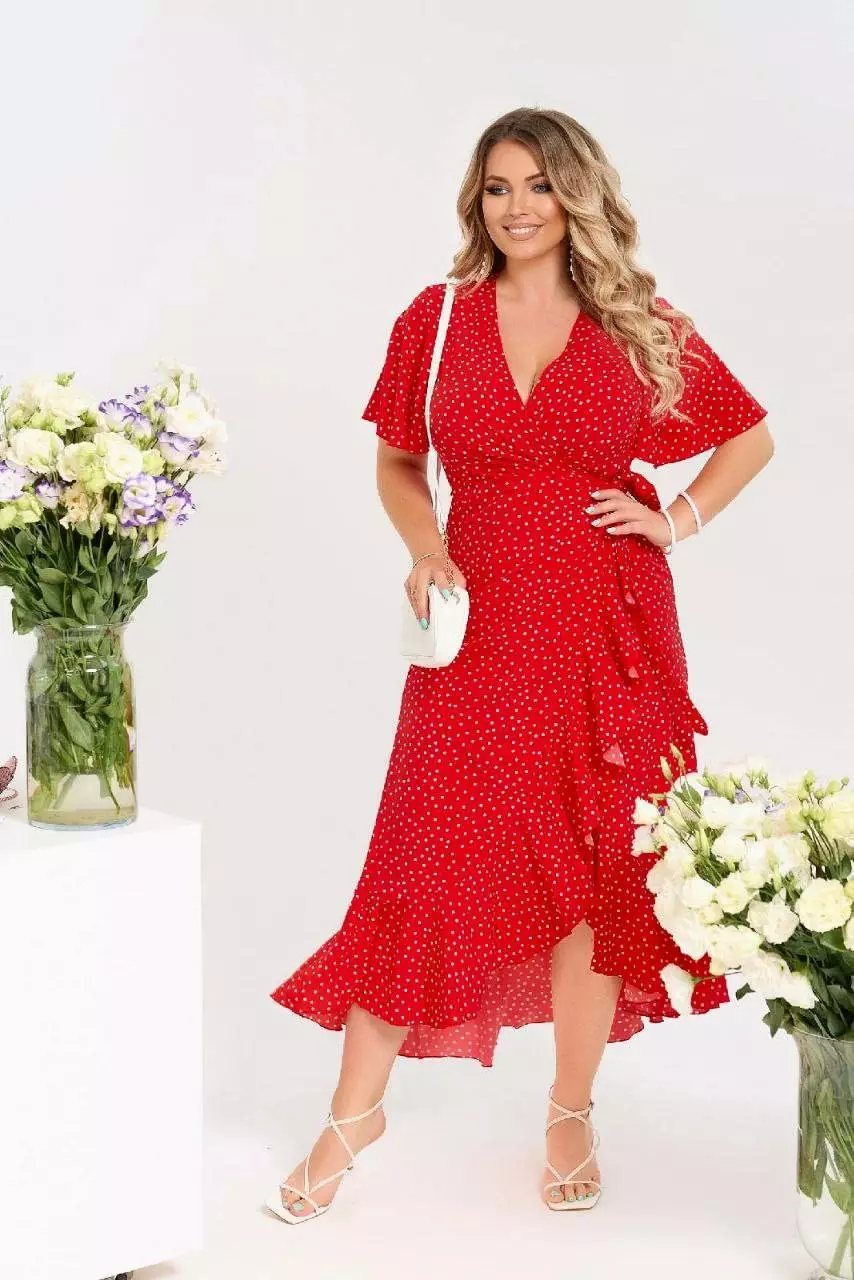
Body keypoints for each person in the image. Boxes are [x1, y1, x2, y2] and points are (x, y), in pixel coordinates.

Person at [266, 106, 774, 1222]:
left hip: (605, 628)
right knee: (422, 854)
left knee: (593, 869)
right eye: (497, 187)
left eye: (538, 185)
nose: (517, 207)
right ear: (476, 201)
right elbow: (398, 462)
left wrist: (673, 519)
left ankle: (569, 1107)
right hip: (479, 624)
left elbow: (750, 435)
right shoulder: (437, 318)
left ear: (576, 195)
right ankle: (351, 1115)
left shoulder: (637, 323)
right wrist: (426, 547)